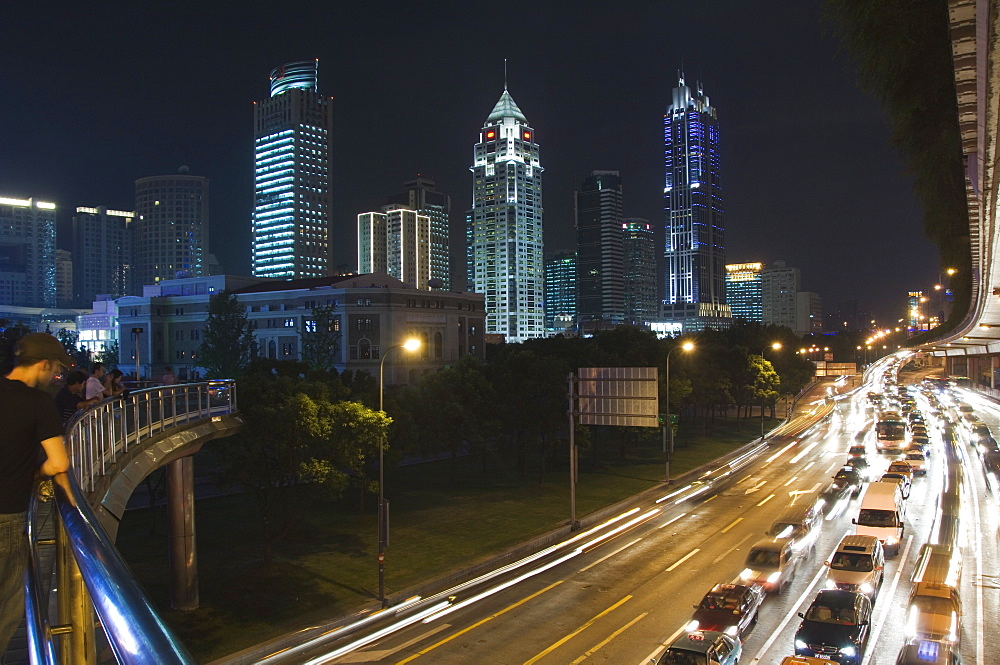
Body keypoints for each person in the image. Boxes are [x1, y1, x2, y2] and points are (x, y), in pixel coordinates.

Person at [1, 333, 71, 656]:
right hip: (7, 517)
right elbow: (58, 462)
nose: (55, 376)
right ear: (43, 365)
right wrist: (38, 473)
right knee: (5, 611)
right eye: (55, 369)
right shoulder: (38, 403)